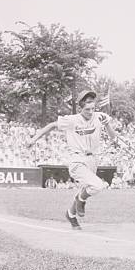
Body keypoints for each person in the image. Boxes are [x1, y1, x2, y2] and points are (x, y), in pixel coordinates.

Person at [27, 90, 118, 230]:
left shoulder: (100, 117)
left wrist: (107, 125)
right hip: (77, 159)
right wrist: (34, 139)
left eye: (93, 108)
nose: (90, 111)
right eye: (87, 109)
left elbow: (113, 137)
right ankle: (81, 200)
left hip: (93, 159)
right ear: (80, 107)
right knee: (98, 186)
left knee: (85, 188)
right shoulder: (72, 120)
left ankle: (70, 214)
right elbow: (51, 126)